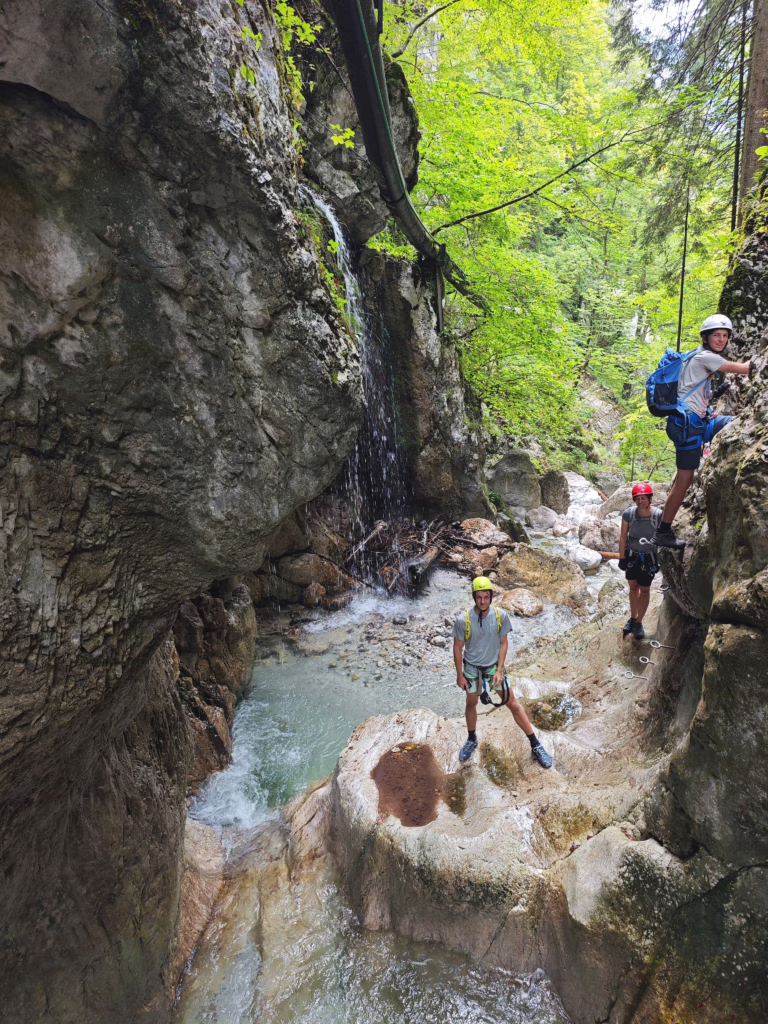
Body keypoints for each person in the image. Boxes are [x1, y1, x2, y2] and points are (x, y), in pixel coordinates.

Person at [654, 314, 753, 549]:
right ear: (706, 338)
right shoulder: (706, 357)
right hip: (687, 426)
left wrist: (716, 395)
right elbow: (747, 368)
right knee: (685, 481)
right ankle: (663, 531)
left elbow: (694, 392)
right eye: (716, 335)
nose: (721, 340)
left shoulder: (696, 357)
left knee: (735, 423)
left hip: (694, 423)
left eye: (725, 336)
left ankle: (663, 523)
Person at [452, 576, 552, 768]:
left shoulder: (500, 617)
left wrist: (499, 670)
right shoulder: (463, 620)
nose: (483, 601)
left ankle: (535, 743)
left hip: (492, 668)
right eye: (479, 597)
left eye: (486, 597)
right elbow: (458, 648)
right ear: (474, 597)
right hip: (472, 669)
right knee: (471, 702)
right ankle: (472, 738)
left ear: (491, 596)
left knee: (513, 704)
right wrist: (459, 675)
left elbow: (504, 642)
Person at [618, 482, 662, 639]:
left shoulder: (658, 515)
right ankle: (633, 617)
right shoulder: (629, 514)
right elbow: (623, 536)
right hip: (632, 556)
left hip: (649, 558)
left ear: (650, 499)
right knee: (632, 588)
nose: (640, 502)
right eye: (637, 499)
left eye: (643, 498)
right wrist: (621, 558)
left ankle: (639, 622)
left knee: (644, 590)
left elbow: (664, 537)